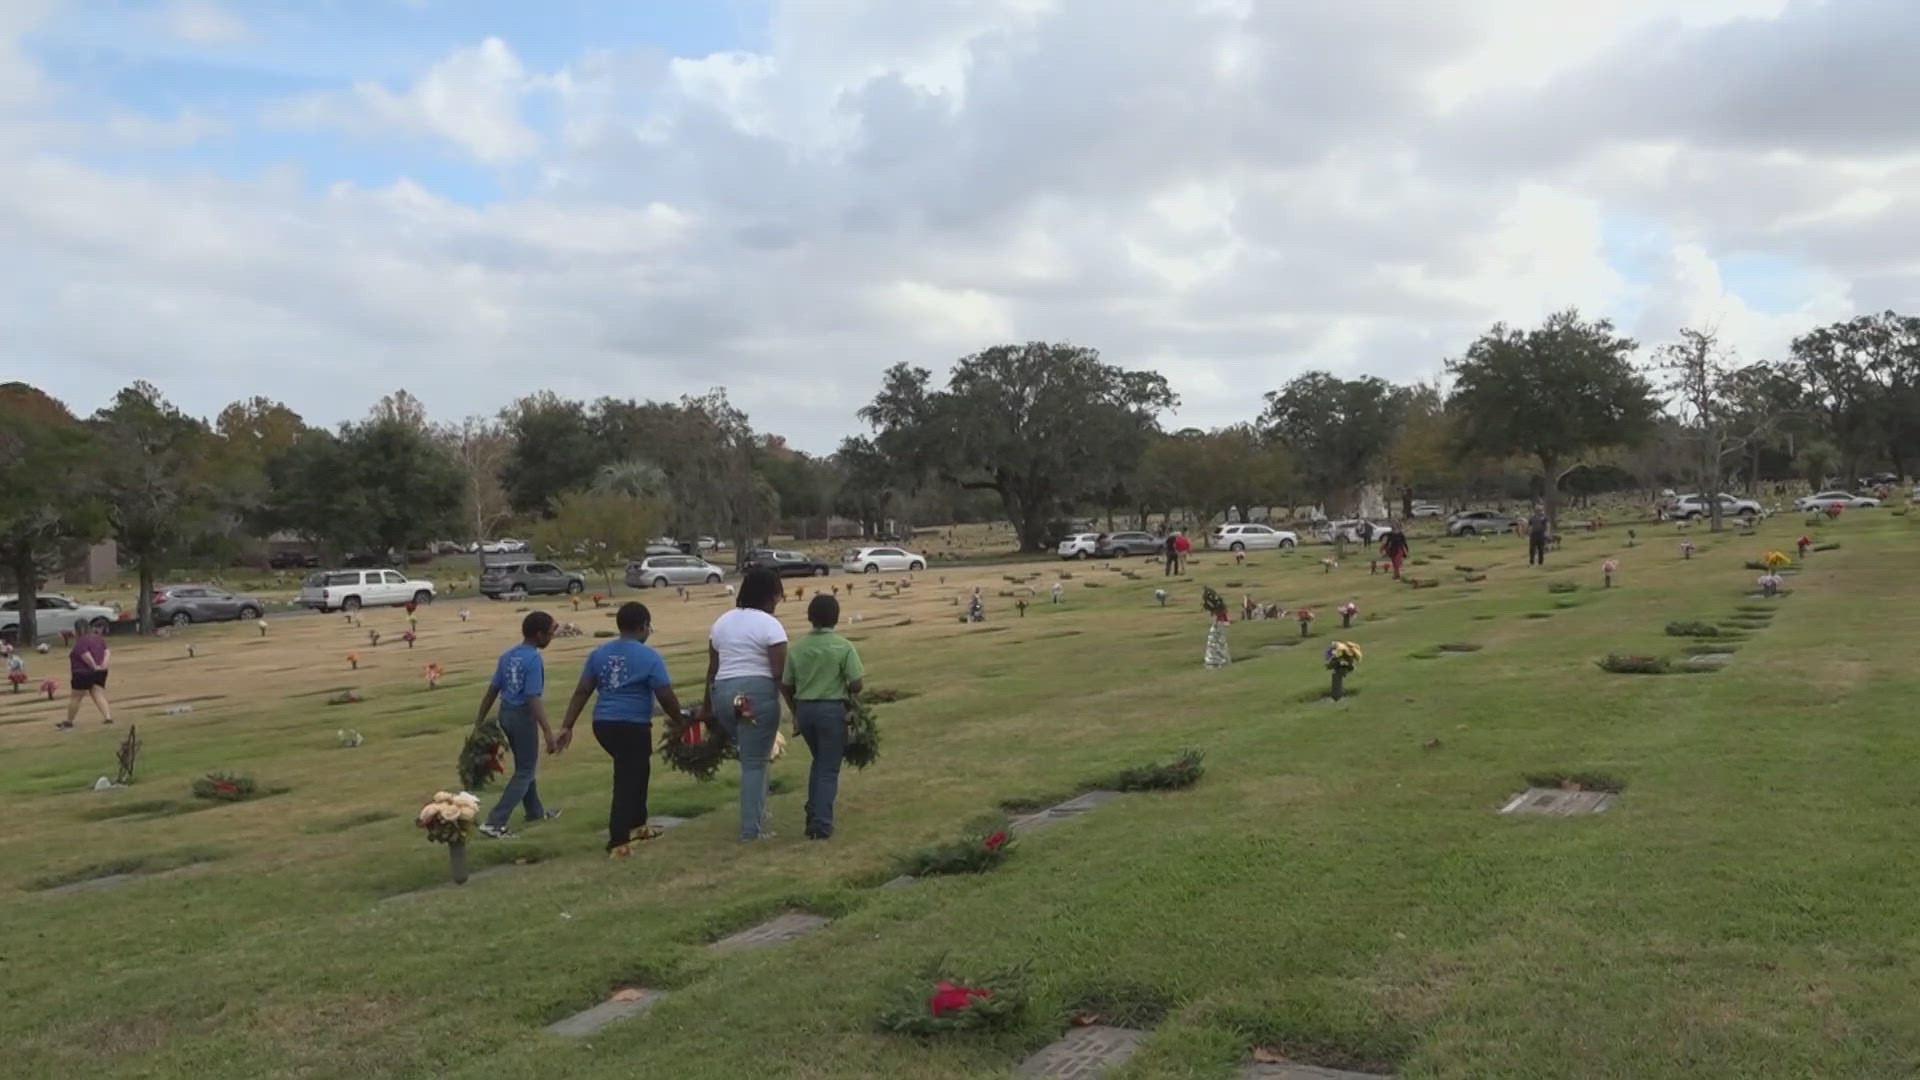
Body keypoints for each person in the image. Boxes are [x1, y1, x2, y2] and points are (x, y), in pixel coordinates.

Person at [558, 602, 683, 858]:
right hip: (632, 725)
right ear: (644, 627)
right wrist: (679, 719)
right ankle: (618, 841)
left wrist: (567, 726)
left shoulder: (599, 654)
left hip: (603, 724)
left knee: (638, 771)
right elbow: (665, 694)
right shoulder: (649, 657)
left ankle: (639, 826)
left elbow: (583, 690)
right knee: (627, 779)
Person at [702, 568, 788, 841]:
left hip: (724, 695)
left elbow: (712, 669)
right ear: (769, 596)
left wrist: (706, 708)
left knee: (753, 757)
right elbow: (779, 673)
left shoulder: (721, 622)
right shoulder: (770, 625)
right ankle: (751, 830)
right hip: (755, 696)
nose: (778, 601)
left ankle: (759, 813)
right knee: (754, 763)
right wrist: (795, 709)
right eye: (777, 595)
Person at [780, 594, 866, 840]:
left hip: (805, 710)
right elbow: (857, 683)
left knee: (819, 762)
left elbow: (786, 684)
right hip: (831, 711)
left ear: (810, 618)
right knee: (829, 768)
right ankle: (821, 824)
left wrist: (795, 711)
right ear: (837, 618)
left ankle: (813, 809)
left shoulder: (798, 649)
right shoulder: (843, 646)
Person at [478, 611, 561, 839]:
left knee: (525, 765)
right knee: (525, 771)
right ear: (539, 634)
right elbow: (533, 697)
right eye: (551, 632)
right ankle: (494, 822)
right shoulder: (533, 659)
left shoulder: (508, 655)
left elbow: (493, 690)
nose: (553, 636)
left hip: (506, 714)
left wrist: (480, 721)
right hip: (523, 716)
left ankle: (535, 812)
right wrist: (547, 732)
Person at [59, 619, 112, 729]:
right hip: (101, 672)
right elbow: (107, 652)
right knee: (98, 694)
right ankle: (108, 717)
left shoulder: (81, 642)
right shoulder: (99, 639)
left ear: (77, 629)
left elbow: (85, 655)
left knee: (76, 697)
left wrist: (94, 666)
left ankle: (69, 721)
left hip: (82, 672)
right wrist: (103, 666)